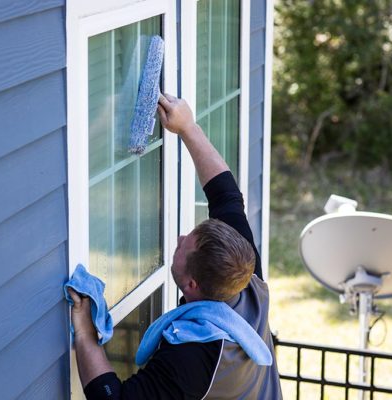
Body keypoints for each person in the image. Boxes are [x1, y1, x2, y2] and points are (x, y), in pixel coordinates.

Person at [68, 93, 282, 399]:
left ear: (192, 283)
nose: (180, 239)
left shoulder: (194, 356)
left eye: (185, 246)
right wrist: (188, 128)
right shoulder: (242, 271)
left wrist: (87, 334)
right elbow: (226, 196)